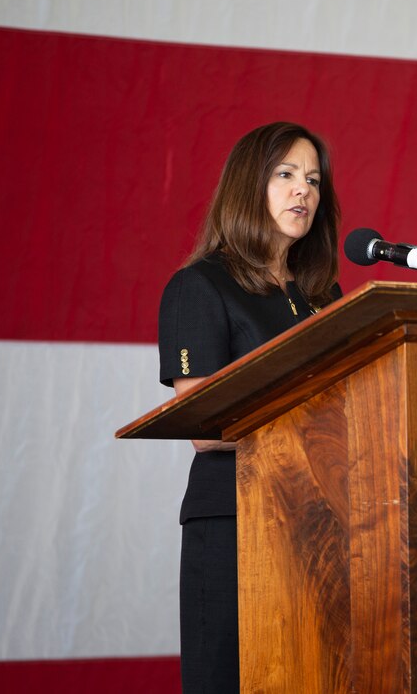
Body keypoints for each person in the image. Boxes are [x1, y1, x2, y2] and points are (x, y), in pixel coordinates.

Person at [157, 121, 342, 693]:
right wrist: (314, 428)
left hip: (323, 520)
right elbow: (204, 427)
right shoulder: (200, 286)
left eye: (312, 180)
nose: (303, 191)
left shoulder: (323, 296)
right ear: (248, 186)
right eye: (286, 175)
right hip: (238, 522)